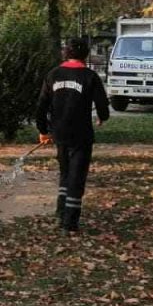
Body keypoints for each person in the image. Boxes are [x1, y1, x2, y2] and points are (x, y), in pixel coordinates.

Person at [35, 38, 110, 234]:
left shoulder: (53, 75)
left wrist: (43, 130)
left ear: (65, 53)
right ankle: (70, 222)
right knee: (77, 177)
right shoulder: (90, 76)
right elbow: (102, 104)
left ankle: (61, 210)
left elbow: (41, 106)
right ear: (85, 54)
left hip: (59, 133)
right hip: (81, 134)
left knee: (65, 172)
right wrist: (103, 117)